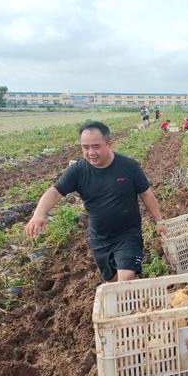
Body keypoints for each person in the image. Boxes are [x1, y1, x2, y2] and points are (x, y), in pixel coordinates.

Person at [24, 121, 165, 282]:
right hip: (99, 239)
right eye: (85, 147)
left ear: (108, 143)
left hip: (128, 234)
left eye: (96, 146)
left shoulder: (128, 166)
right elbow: (55, 192)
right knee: (112, 280)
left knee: (126, 277)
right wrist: (38, 214)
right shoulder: (78, 170)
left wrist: (158, 220)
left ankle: (131, 300)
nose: (91, 152)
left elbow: (146, 194)